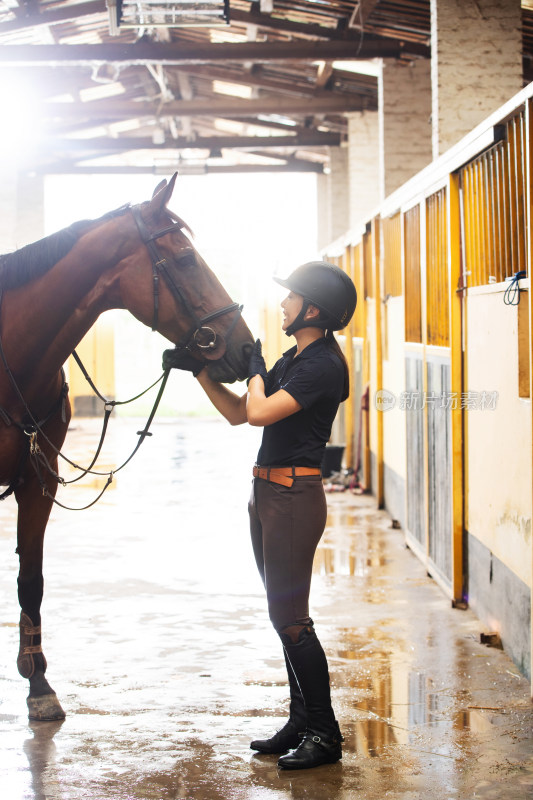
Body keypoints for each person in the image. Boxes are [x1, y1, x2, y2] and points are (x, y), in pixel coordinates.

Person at [162, 261, 357, 770]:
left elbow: (259, 411)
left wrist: (253, 370)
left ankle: (325, 734)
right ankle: (300, 721)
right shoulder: (296, 357)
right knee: (281, 616)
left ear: (313, 309)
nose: (284, 304)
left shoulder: (323, 366)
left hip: (295, 498)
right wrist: (198, 370)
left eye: (291, 297)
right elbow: (236, 413)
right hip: (267, 495)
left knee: (292, 620)